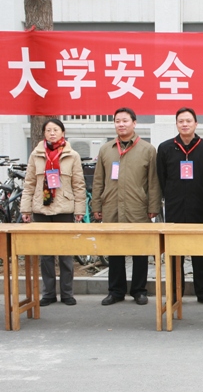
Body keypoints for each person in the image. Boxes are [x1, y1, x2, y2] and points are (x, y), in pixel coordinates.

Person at [92, 107, 162, 306]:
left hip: (137, 206)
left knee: (140, 250)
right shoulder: (106, 149)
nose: (121, 124)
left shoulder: (147, 150)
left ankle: (139, 290)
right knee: (115, 250)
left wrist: (153, 205)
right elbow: (98, 180)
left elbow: (153, 181)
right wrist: (96, 204)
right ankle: (116, 291)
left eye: (125, 121)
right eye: (117, 121)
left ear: (134, 123)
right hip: (111, 206)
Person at [20, 119, 86, 306]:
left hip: (64, 209)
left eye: (55, 130)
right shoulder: (36, 155)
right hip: (41, 209)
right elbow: (29, 183)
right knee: (46, 255)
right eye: (48, 130)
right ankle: (48, 293)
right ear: (44, 133)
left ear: (63, 132)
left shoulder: (72, 155)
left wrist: (79, 210)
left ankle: (67, 293)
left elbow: (78, 185)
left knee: (66, 253)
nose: (52, 133)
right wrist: (25, 208)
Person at [157, 107, 203, 306]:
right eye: (181, 121)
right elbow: (162, 178)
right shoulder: (165, 148)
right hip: (175, 207)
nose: (185, 124)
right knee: (175, 254)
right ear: (176, 124)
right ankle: (175, 293)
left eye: (188, 121)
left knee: (200, 252)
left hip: (200, 207)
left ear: (196, 124)